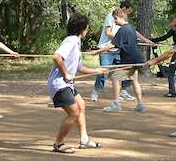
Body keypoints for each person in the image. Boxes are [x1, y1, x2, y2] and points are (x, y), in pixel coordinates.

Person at [47, 13, 108, 154]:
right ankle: (58, 143)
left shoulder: (76, 42)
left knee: (81, 105)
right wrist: (65, 73)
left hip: (66, 84)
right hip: (59, 84)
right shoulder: (71, 41)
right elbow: (56, 57)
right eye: (86, 27)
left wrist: (97, 71)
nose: (87, 30)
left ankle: (84, 140)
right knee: (74, 113)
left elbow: (79, 68)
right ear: (82, 28)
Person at [92, 8, 152, 112]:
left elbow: (111, 45)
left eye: (115, 19)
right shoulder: (131, 28)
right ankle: (140, 104)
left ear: (121, 17)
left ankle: (116, 104)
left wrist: (97, 52)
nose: (114, 21)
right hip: (135, 59)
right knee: (134, 81)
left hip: (128, 60)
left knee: (115, 78)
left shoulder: (123, 29)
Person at [150, 15, 176, 97]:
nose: (169, 25)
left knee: (170, 72)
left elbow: (163, 38)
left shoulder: (173, 30)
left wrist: (151, 40)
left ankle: (172, 91)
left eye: (170, 23)